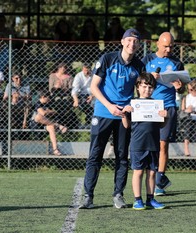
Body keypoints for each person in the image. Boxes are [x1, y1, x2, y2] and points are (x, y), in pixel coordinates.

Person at [79, 28, 145, 209]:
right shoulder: (107, 59)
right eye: (129, 40)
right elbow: (94, 87)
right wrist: (109, 106)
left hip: (124, 115)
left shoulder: (139, 66)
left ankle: (118, 194)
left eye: (135, 41)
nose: (132, 44)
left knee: (122, 156)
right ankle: (88, 196)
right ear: (122, 42)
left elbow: (143, 90)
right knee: (95, 155)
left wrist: (133, 105)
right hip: (103, 113)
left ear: (138, 45)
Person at [142, 32, 184, 196]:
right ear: (157, 44)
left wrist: (179, 87)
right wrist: (148, 77)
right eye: (165, 46)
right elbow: (138, 81)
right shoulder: (147, 60)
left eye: (171, 46)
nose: (168, 49)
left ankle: (159, 181)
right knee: (148, 143)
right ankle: (153, 176)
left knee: (163, 144)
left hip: (168, 107)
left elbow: (183, 87)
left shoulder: (176, 63)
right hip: (148, 106)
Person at [121, 72, 167, 210]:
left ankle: (150, 199)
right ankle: (137, 200)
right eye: (144, 87)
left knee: (152, 172)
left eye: (150, 87)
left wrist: (166, 116)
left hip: (153, 144)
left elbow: (161, 125)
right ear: (138, 87)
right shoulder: (133, 104)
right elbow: (127, 125)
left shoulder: (156, 105)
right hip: (138, 144)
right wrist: (124, 113)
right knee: (138, 171)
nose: (147, 90)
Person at [31, 90, 68, 156]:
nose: (49, 99)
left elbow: (53, 112)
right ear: (43, 97)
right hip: (35, 124)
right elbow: (43, 113)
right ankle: (58, 125)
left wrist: (50, 112)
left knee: (51, 127)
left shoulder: (47, 104)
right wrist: (49, 111)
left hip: (46, 123)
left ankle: (55, 149)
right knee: (38, 116)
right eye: (48, 97)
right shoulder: (38, 103)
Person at [49, 62, 78, 128]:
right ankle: (60, 120)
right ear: (59, 68)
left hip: (65, 94)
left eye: (65, 68)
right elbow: (50, 89)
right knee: (57, 100)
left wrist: (63, 87)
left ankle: (62, 120)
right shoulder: (52, 76)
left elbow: (70, 88)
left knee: (65, 100)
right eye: (62, 68)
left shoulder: (69, 77)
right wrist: (56, 87)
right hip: (55, 94)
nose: (64, 69)